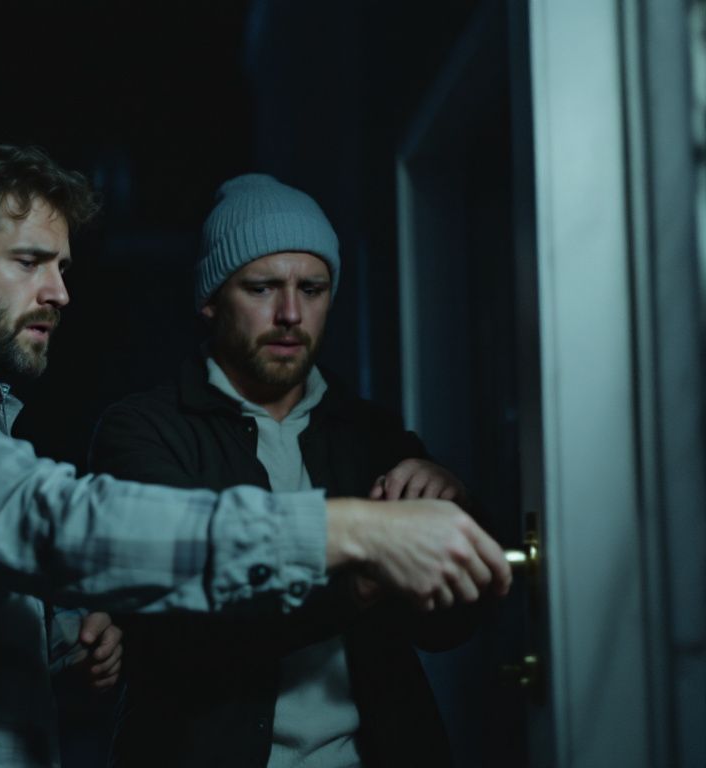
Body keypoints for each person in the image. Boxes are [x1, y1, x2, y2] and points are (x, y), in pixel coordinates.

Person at [0, 143, 510, 767]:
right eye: (30, 262)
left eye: (63, 268)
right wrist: (355, 532)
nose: (60, 292)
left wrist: (63, 636)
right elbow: (47, 523)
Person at [90, 173, 491, 767]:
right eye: (262, 288)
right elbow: (184, 629)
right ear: (210, 300)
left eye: (313, 288)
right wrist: (362, 576)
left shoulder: (373, 434)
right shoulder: (142, 430)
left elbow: (445, 631)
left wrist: (454, 510)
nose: (290, 313)